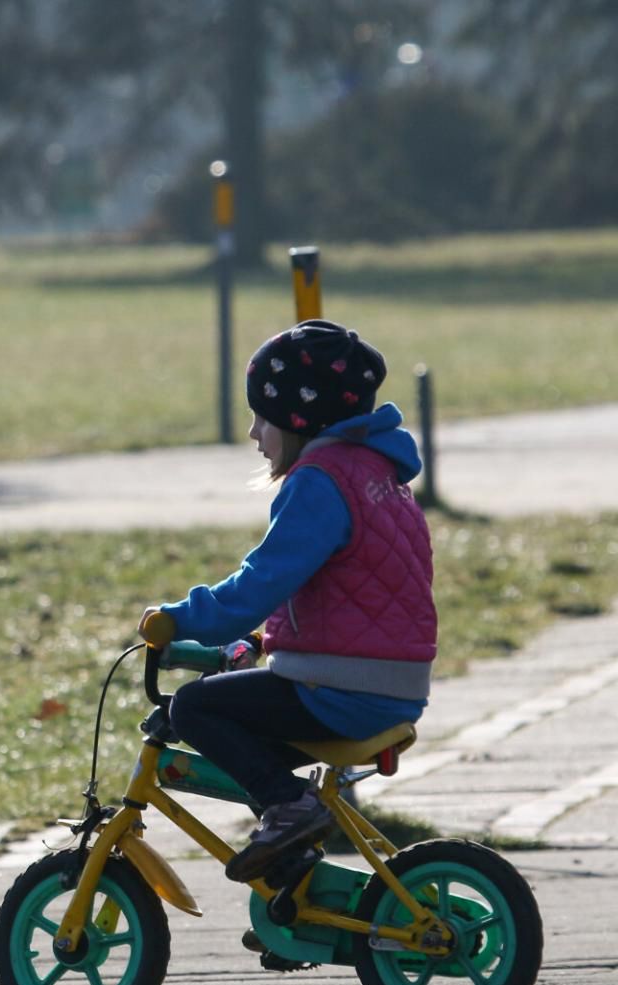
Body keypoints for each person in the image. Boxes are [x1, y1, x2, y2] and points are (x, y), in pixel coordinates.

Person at [139, 320, 437, 884]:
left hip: (343, 687)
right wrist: (260, 644)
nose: (254, 433)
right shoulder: (376, 474)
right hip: (390, 681)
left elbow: (259, 583)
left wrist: (179, 619)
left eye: (262, 416)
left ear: (299, 419)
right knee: (251, 739)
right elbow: (341, 591)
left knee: (196, 709)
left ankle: (292, 809)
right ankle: (296, 882)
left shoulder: (320, 481)